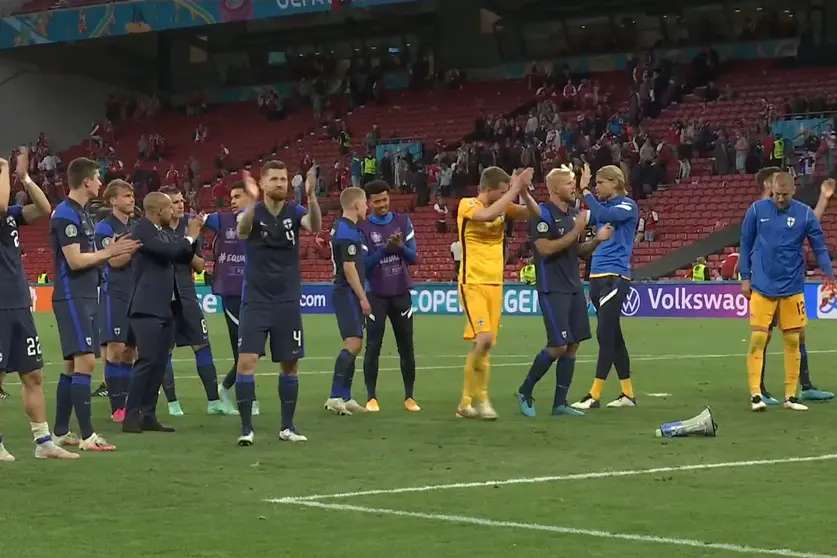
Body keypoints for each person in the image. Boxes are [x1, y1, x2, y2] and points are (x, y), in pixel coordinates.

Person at [50, 157, 139, 452]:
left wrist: (108, 253)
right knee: (86, 361)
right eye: (97, 177)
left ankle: (61, 431)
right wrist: (109, 252)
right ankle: (88, 436)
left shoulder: (85, 214)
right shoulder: (65, 214)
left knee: (70, 364)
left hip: (88, 294)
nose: (101, 182)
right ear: (86, 181)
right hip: (72, 295)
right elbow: (75, 262)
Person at [235, 162, 321, 446]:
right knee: (246, 362)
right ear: (262, 183)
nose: (281, 183)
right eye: (274, 179)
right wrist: (251, 201)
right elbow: (243, 231)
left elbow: (316, 226)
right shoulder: (253, 212)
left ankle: (287, 427)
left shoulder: (295, 212)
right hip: (256, 300)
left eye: (284, 179)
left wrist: (311, 196)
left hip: (287, 299)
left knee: (290, 364)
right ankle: (246, 428)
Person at [0, 150, 77, 461]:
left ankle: (43, 442)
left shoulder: (9, 215)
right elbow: (2, 203)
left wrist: (26, 178)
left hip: (18, 304)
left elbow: (44, 209)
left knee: (33, 374)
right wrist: (4, 168)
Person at [517, 166, 612, 418]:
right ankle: (525, 390)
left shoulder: (572, 214)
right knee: (558, 345)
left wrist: (597, 240)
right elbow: (545, 249)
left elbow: (579, 251)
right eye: (569, 183)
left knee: (573, 345)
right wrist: (575, 230)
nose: (573, 186)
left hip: (573, 287)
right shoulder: (542, 214)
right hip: (552, 288)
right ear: (554, 188)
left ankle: (560, 404)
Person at [740, 171, 835, 412]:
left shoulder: (804, 214)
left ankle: (791, 397)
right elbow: (745, 244)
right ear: (771, 189)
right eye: (776, 194)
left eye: (784, 195)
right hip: (762, 286)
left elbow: (820, 247)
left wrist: (829, 275)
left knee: (793, 340)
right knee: (759, 338)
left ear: (794, 190)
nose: (780, 199)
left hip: (792, 287)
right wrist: (744, 277)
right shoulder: (756, 210)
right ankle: (755, 394)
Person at [455, 166, 541, 420]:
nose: (508, 197)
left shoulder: (504, 205)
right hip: (472, 281)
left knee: (486, 343)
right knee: (483, 338)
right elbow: (486, 214)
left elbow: (535, 213)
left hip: (495, 283)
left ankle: (467, 403)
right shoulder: (467, 205)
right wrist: (514, 188)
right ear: (489, 189)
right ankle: (477, 399)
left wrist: (523, 191)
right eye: (503, 192)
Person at [121, 192, 201, 433]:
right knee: (146, 362)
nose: (173, 212)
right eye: (169, 208)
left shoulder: (163, 232)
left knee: (158, 364)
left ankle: (148, 414)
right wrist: (189, 236)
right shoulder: (142, 230)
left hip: (165, 308)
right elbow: (168, 252)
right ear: (158, 211)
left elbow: (183, 255)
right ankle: (131, 416)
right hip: (146, 307)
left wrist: (190, 239)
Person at [572, 164, 639, 410]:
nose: (597, 187)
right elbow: (584, 216)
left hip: (615, 276)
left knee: (604, 334)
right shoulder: (605, 207)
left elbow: (603, 216)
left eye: (600, 183)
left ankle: (595, 394)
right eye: (596, 183)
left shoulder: (627, 205)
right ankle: (628, 394)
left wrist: (586, 192)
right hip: (598, 276)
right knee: (615, 337)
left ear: (614, 182)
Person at [157, 186, 227, 417]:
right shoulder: (156, 228)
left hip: (187, 294)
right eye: (174, 202)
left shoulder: (191, 225)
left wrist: (188, 244)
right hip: (164, 296)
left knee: (202, 344)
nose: (180, 206)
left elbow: (198, 265)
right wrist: (184, 244)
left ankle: (214, 401)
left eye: (181, 201)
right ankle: (173, 403)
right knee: (165, 350)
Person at [356, 180, 420, 413]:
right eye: (377, 201)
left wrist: (400, 246)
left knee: (407, 347)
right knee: (373, 347)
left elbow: (414, 258)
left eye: (385, 199)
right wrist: (385, 249)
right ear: (369, 203)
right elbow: (363, 265)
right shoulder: (362, 228)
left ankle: (410, 397)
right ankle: (371, 397)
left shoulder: (403, 221)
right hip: (376, 296)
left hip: (401, 294)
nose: (382, 204)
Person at [204, 182, 257, 415]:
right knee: (244, 348)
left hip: (256, 291)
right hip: (232, 292)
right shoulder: (221, 220)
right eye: (231, 197)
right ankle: (249, 399)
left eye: (238, 196)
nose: (233, 200)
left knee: (253, 348)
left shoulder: (261, 219)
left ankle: (226, 388)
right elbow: (194, 219)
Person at [94, 179, 139, 423]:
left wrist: (126, 249)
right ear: (113, 200)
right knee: (115, 349)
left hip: (136, 293)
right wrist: (131, 249)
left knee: (131, 352)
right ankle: (117, 407)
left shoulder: (136, 226)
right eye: (126, 195)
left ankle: (129, 404)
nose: (131, 199)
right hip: (116, 293)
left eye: (132, 195)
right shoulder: (104, 228)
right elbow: (113, 261)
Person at [324, 187, 371, 416]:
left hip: (346, 292)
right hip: (346, 292)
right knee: (352, 342)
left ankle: (346, 395)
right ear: (355, 205)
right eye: (364, 204)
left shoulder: (344, 227)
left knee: (356, 342)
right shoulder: (347, 231)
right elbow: (349, 267)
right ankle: (335, 395)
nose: (367, 207)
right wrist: (363, 297)